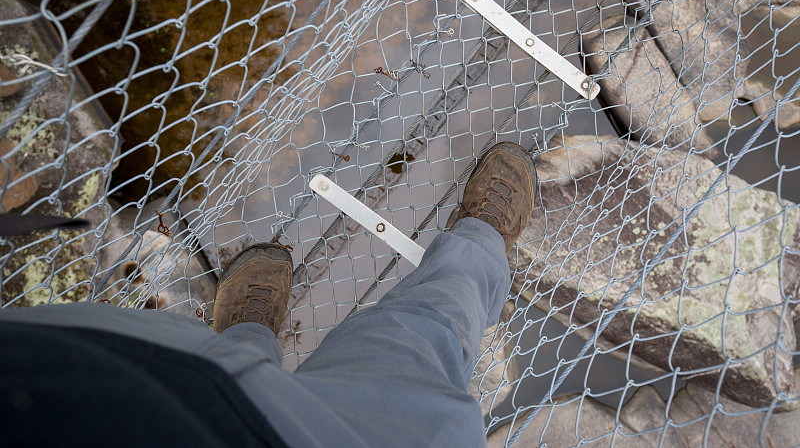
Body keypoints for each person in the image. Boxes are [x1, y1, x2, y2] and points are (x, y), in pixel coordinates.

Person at [0, 142, 537, 447]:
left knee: (198, 355)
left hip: (76, 397)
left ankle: (244, 335)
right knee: (432, 337)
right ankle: (480, 243)